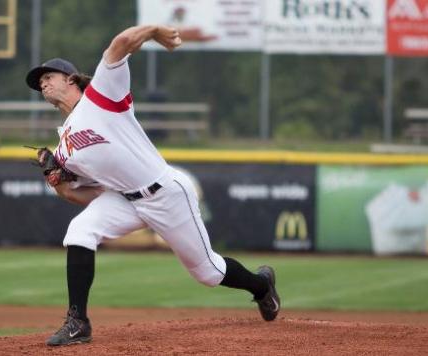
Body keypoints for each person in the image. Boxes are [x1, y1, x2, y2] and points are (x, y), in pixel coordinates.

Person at [25, 25, 280, 347]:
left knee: (208, 273)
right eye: (39, 82)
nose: (42, 82)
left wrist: (153, 31)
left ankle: (261, 286)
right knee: (79, 231)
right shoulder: (64, 148)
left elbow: (119, 44)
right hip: (124, 200)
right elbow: (78, 196)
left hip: (166, 192)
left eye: (49, 75)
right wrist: (56, 180)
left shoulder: (101, 97)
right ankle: (78, 322)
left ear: (72, 79)